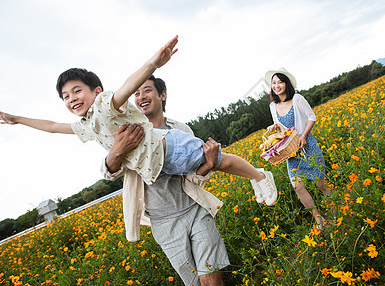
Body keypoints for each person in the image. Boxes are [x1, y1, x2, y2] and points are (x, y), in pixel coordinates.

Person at [0, 36, 277, 206]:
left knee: (220, 161)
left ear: (95, 90)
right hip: (161, 162)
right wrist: (17, 119)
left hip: (169, 146)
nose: (71, 98)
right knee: (215, 165)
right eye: (65, 96)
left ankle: (260, 176)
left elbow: (126, 86)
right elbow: (52, 126)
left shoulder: (106, 105)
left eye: (77, 91)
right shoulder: (86, 124)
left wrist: (153, 63)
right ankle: (256, 177)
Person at [102, 75, 228, 285]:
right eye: (137, 93)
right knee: (194, 281)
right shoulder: (129, 133)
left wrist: (209, 163)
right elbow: (109, 172)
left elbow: (194, 175)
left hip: (194, 209)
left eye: (147, 90)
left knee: (211, 276)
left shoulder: (181, 130)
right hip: (163, 222)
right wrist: (116, 151)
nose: (141, 96)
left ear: (163, 94)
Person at [265, 68, 332, 229]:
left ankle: (336, 212)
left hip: (307, 146)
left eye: (280, 81)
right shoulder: (273, 106)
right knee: (298, 187)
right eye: (274, 83)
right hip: (291, 152)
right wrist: (274, 127)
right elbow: (282, 129)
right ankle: (319, 220)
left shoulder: (297, 99)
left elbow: (312, 117)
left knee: (320, 184)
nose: (277, 85)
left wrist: (303, 135)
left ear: (286, 83)